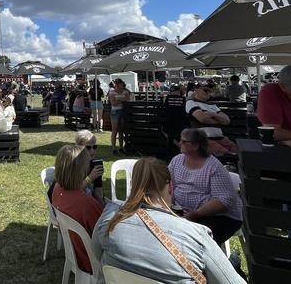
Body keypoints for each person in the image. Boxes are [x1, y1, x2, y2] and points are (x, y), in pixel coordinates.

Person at [92, 157, 245, 284]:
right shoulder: (196, 235)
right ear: (171, 187)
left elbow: (96, 254)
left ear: (134, 185)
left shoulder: (110, 217)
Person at [168, 129, 242, 246]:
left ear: (196, 145)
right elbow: (170, 186)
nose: (179, 143)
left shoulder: (213, 167)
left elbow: (223, 201)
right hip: (184, 213)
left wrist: (196, 214)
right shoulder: (176, 161)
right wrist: (169, 208)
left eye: (184, 141)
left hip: (217, 217)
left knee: (195, 242)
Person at [51, 144, 103, 276]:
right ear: (81, 170)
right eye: (87, 165)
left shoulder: (57, 189)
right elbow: (104, 236)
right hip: (93, 261)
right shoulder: (86, 204)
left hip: (75, 252)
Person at [185, 83, 238, 156]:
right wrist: (219, 119)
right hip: (204, 140)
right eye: (206, 90)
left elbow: (227, 121)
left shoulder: (212, 105)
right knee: (228, 154)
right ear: (196, 90)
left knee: (240, 153)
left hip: (221, 139)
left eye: (210, 91)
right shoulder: (191, 102)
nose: (208, 93)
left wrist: (213, 115)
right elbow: (202, 118)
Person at [107, 79, 132, 155]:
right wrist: (122, 100)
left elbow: (128, 99)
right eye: (116, 84)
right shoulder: (111, 93)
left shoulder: (125, 92)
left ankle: (121, 147)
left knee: (121, 131)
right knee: (114, 131)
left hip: (123, 111)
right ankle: (114, 148)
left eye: (119, 84)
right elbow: (113, 103)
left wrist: (118, 100)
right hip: (115, 112)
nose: (118, 85)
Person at [164, 84, 188, 154]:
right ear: (178, 91)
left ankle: (170, 152)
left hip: (169, 122)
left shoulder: (168, 98)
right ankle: (180, 151)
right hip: (181, 122)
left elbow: (165, 107)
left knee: (169, 135)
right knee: (181, 136)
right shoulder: (183, 99)